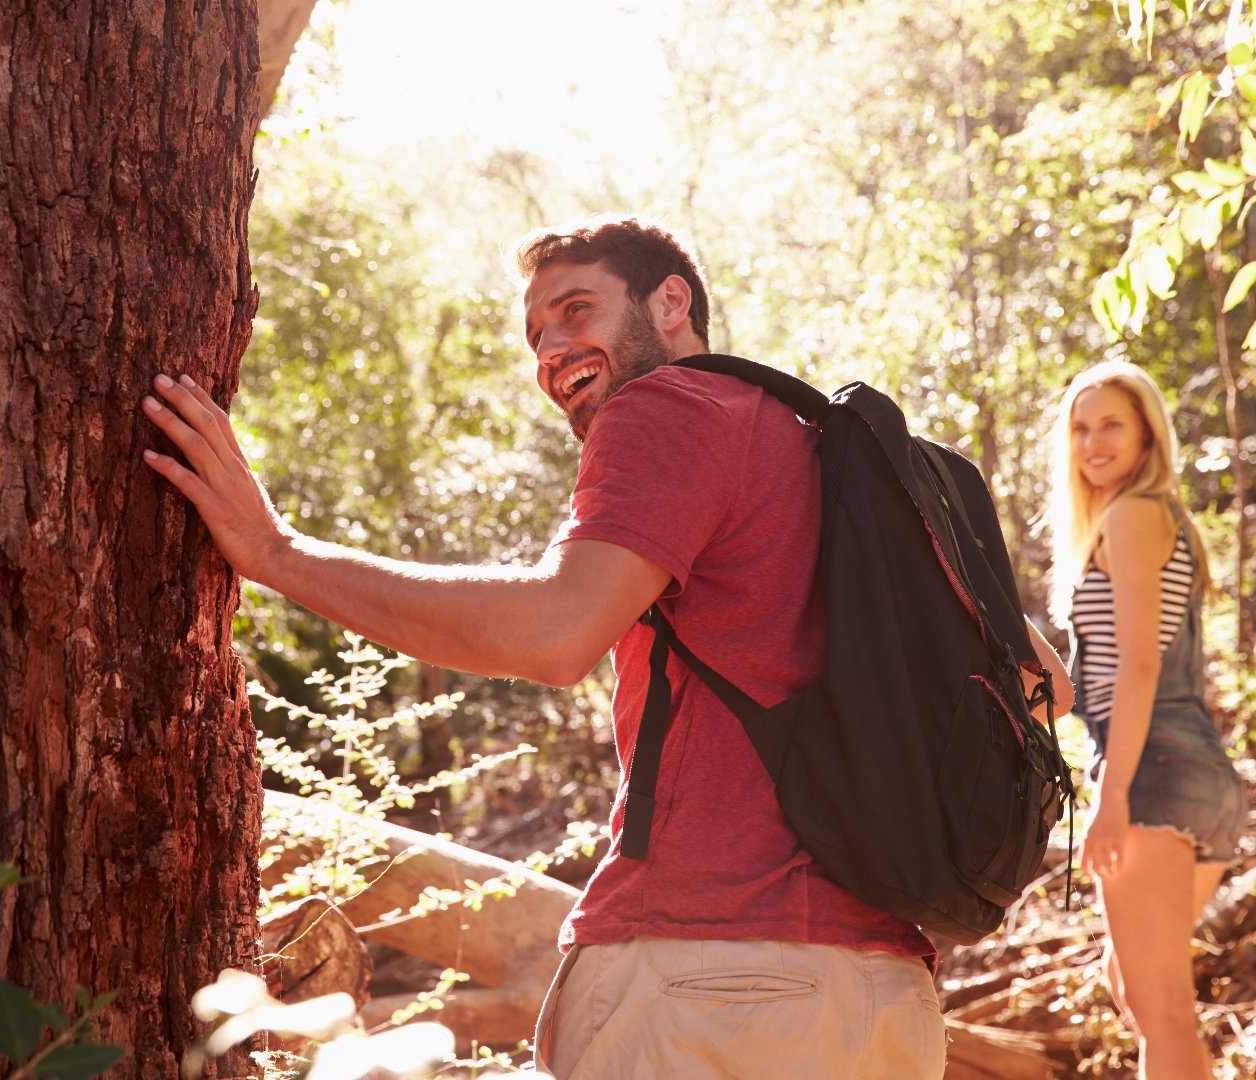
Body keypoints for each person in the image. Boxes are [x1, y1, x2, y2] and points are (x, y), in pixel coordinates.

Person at [141, 216, 1069, 1078]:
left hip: (703, 984)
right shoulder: (841, 464)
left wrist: (275, 552)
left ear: (671, 304)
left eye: (575, 310)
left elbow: (556, 631)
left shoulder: (671, 407)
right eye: (535, 334)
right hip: (885, 1003)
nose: (549, 350)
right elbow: (1046, 683)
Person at [1047, 361, 1246, 1080]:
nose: (1093, 442)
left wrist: (1113, 795)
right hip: (1198, 775)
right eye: (1080, 427)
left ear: (1146, 437)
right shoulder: (1156, 520)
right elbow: (1088, 683)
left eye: (1111, 426)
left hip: (1153, 770)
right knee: (1140, 989)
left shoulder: (1132, 515)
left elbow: (1138, 667)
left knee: (1159, 1009)